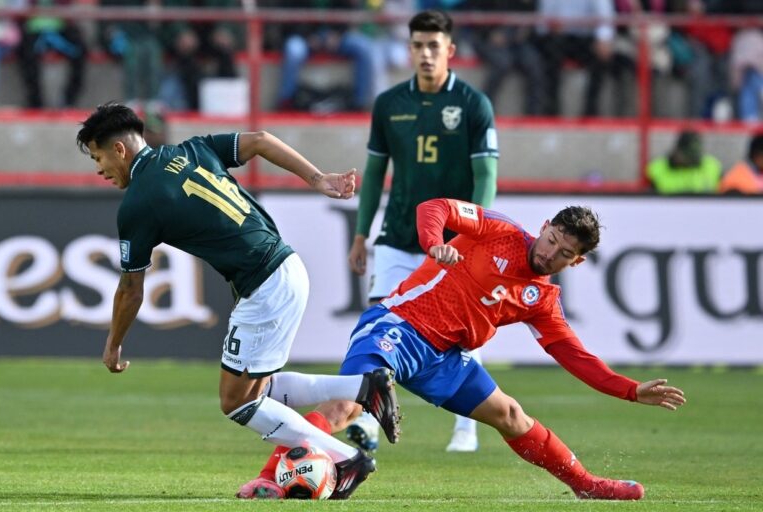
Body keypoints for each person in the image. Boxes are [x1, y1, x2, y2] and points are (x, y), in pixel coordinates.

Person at [240, 197, 687, 501]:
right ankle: (267, 480)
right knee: (347, 406)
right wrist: (434, 243)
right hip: (398, 326)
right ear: (544, 228)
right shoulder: (499, 231)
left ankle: (585, 485)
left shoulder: (542, 301)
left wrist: (630, 390)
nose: (550, 253)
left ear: (577, 261)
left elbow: (575, 356)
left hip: (445, 358)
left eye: (564, 253)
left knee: (511, 415)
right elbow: (433, 207)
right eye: (552, 239)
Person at [74, 102, 402, 500]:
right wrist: (317, 178)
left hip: (263, 283)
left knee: (236, 403)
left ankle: (347, 458)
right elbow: (260, 140)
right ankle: (364, 387)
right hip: (287, 266)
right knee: (259, 389)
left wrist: (113, 344)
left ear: (119, 149)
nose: (100, 169)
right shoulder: (192, 149)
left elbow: (131, 289)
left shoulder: (138, 204)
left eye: (98, 157)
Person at [346, 9, 499, 454]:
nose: (426, 54)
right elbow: (375, 174)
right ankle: (367, 423)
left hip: (454, 244)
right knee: (378, 326)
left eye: (434, 46)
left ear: (450, 50)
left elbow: (486, 175)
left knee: (462, 334)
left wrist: (474, 234)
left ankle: (466, 430)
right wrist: (361, 234)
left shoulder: (473, 104)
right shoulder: (389, 104)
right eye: (418, 45)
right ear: (409, 49)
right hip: (398, 236)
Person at [16, 0, 87, 108]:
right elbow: (20, 11)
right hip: (34, 31)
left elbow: (70, 11)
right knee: (27, 57)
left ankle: (68, 101)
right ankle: (36, 103)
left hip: (60, 29)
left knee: (80, 51)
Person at [646, 129, 722, 194]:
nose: (691, 159)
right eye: (688, 154)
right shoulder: (657, 169)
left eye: (694, 155)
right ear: (678, 151)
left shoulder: (712, 167)